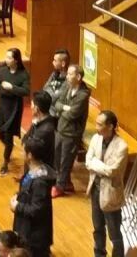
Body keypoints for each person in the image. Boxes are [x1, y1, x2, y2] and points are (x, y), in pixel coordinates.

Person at [86, 110, 128, 257]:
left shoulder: (122, 146)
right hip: (95, 190)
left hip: (111, 194)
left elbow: (112, 171)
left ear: (110, 126)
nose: (96, 127)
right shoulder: (95, 139)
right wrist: (100, 166)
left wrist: (95, 164)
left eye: (100, 124)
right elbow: (88, 161)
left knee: (114, 233)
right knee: (97, 228)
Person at [11, 137, 55, 257]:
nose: (22, 153)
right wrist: (18, 196)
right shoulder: (32, 171)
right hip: (26, 229)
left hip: (34, 236)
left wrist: (17, 206)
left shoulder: (40, 182)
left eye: (23, 151)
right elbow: (28, 192)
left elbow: (37, 209)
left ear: (29, 155)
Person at [0, 48, 30, 176]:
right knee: (0, 134)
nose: (6, 59)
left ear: (16, 60)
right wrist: (10, 91)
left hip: (14, 108)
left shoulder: (23, 74)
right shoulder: (2, 71)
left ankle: (5, 162)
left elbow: (25, 91)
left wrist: (11, 87)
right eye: (6, 57)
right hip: (2, 106)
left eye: (9, 57)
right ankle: (9, 147)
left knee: (8, 135)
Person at [53, 64, 90, 198]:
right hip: (61, 129)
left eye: (70, 74)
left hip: (72, 134)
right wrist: (65, 108)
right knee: (57, 159)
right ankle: (67, 183)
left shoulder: (83, 95)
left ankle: (60, 187)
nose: (67, 76)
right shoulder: (67, 86)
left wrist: (63, 110)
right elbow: (56, 103)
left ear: (78, 77)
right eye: (67, 73)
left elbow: (73, 114)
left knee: (65, 161)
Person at [22, 91, 56, 169]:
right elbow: (25, 138)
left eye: (32, 104)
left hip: (38, 170)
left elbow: (28, 149)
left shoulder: (45, 130)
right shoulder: (39, 121)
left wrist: (26, 143)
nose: (31, 107)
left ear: (36, 108)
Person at [43, 48, 70, 118]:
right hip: (48, 108)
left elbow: (56, 98)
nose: (53, 62)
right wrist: (53, 92)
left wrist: (49, 92)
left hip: (57, 113)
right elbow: (44, 89)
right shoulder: (54, 74)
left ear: (63, 64)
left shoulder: (68, 79)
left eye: (55, 60)